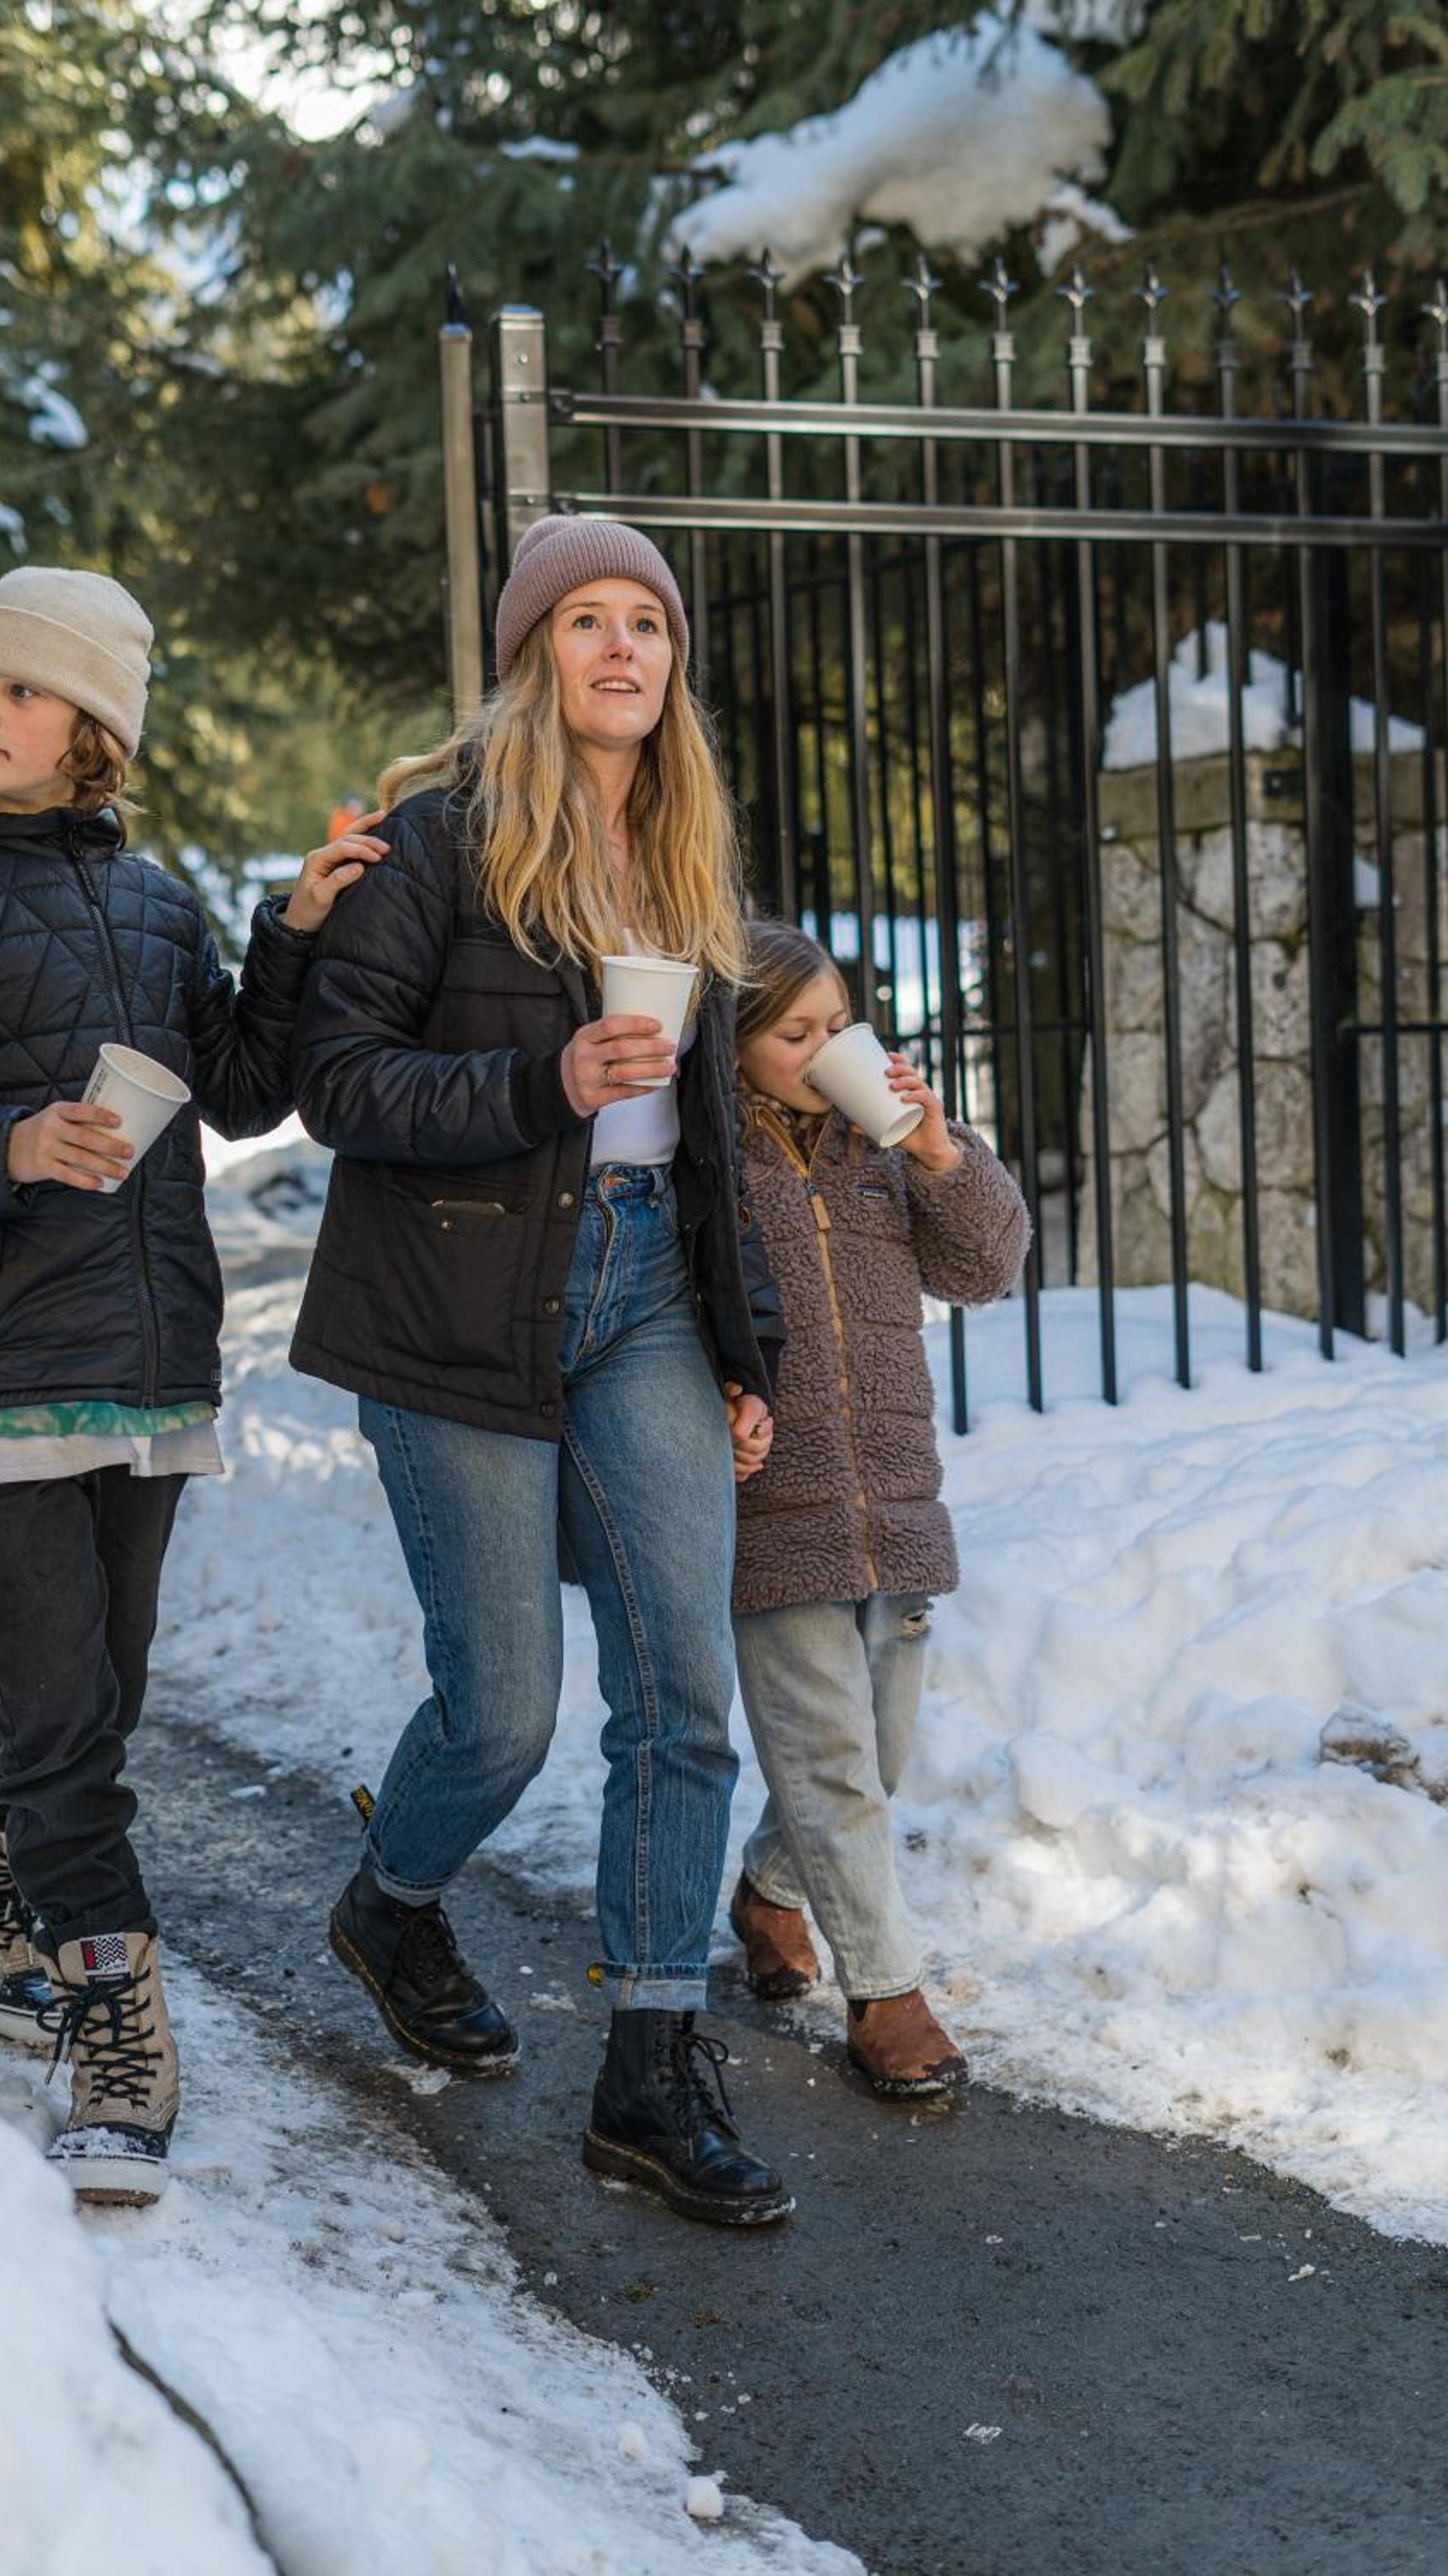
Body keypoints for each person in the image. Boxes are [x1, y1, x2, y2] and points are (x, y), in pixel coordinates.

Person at [0, 566, 383, 2203]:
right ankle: (119, 2023)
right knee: (68, 1729)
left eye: (24, 690)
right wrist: (6, 1145)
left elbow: (239, 1092)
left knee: (94, 1695)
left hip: (145, 1358)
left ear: (97, 725)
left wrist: (292, 937)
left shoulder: (160, 905)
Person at [291, 514, 794, 2227]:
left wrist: (742, 1342)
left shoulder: (687, 856)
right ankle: (391, 1899)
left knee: (682, 1696)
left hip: (645, 1289)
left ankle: (650, 2069)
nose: (622, 647)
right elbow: (340, 1082)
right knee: (502, 1711)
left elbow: (712, 1137)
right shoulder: (437, 843)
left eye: (647, 621)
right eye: (587, 620)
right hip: (457, 1292)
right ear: (532, 656)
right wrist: (544, 1081)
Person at [726, 920, 1029, 2096]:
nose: (824, 1050)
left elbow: (985, 1267)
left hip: (895, 1505)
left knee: (880, 1751)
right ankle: (887, 1995)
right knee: (833, 1762)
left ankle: (771, 1891)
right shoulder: (711, 1165)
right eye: (793, 1034)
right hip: (776, 1506)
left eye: (839, 1026)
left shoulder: (879, 1150)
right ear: (733, 1046)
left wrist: (942, 1151)